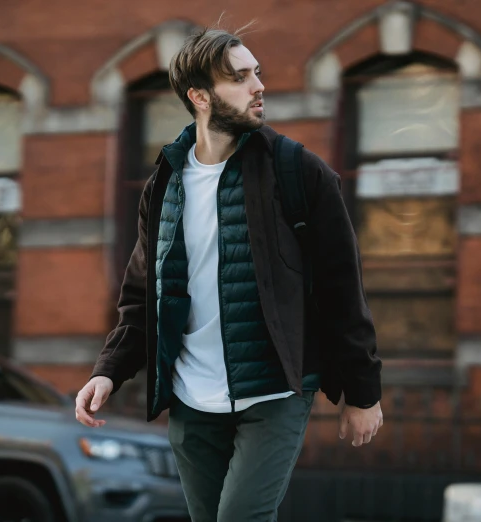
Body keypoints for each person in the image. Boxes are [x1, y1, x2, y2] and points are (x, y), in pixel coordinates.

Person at [75, 21, 383, 522]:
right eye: (240, 77)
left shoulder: (299, 172)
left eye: (257, 73)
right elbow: (142, 294)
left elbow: (343, 289)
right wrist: (110, 369)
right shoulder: (166, 185)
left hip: (275, 391)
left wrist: (363, 391)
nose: (259, 86)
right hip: (192, 400)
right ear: (199, 96)